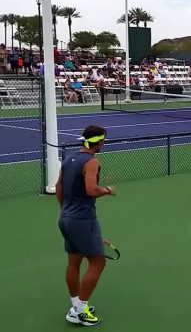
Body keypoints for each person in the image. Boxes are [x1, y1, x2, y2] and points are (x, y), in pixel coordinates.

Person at [57, 125, 115, 326]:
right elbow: (91, 190)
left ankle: (76, 306)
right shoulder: (92, 161)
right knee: (98, 262)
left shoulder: (68, 158)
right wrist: (107, 190)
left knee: (74, 262)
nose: (104, 144)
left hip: (66, 218)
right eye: (103, 140)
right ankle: (80, 311)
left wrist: (64, 210)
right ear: (97, 142)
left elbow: (58, 187)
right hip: (83, 219)